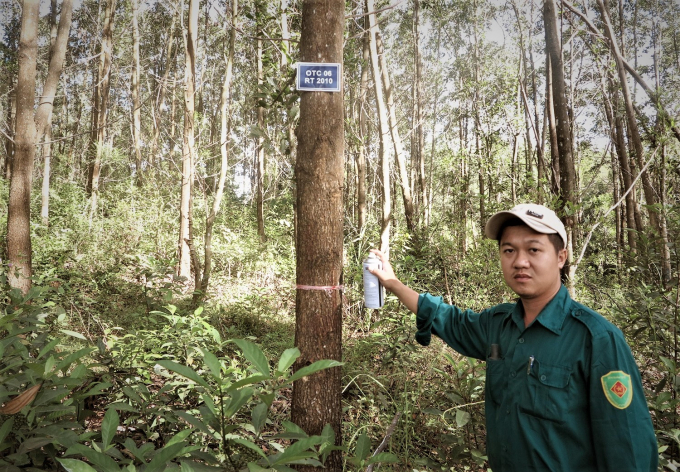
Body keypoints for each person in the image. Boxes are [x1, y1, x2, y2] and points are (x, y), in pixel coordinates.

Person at [369, 203, 658, 471]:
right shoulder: (498, 324)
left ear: (560, 257)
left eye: (533, 250)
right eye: (509, 251)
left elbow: (627, 447)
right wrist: (393, 284)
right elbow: (448, 319)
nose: (520, 262)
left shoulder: (597, 339)